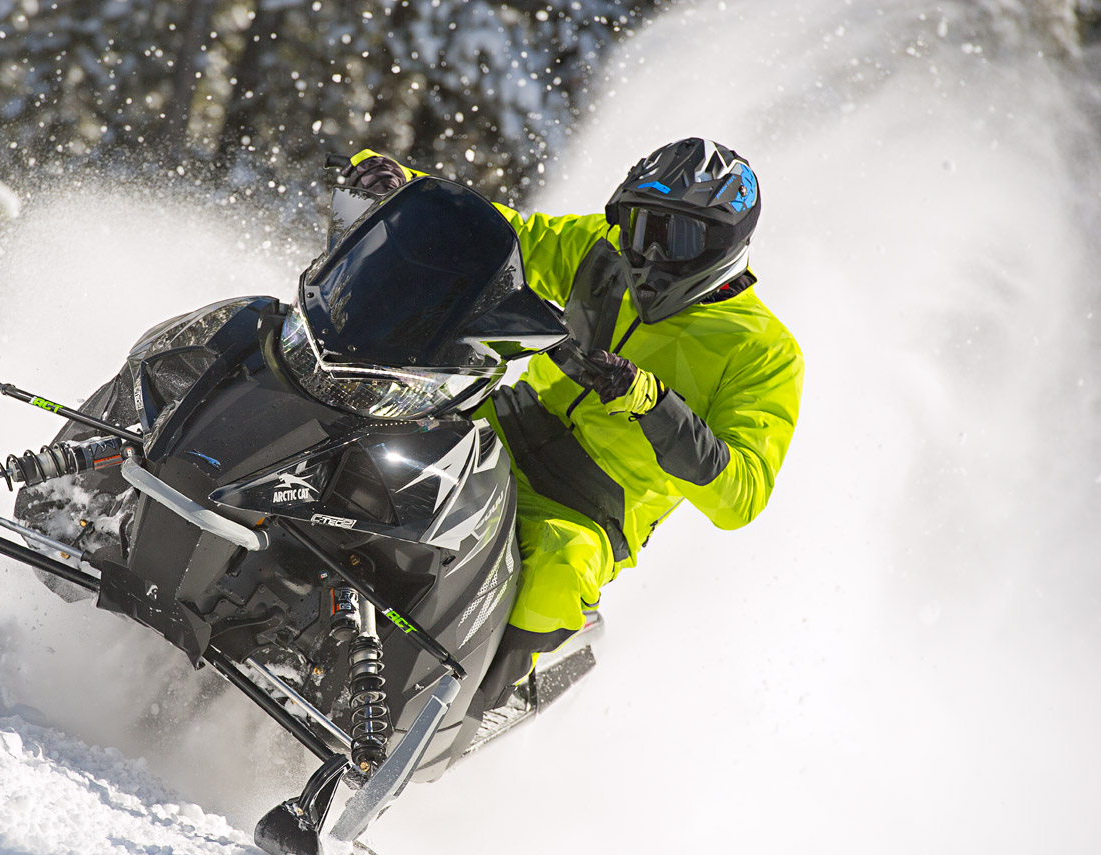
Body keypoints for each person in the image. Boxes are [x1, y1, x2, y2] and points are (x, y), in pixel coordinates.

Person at [341, 140, 805, 713]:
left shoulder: (765, 351)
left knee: (556, 574)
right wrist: (403, 185)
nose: (648, 252)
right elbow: (503, 235)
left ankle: (458, 712)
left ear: (723, 243)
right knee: (373, 438)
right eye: (638, 225)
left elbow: (741, 496)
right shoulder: (601, 249)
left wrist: (653, 403)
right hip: (501, 428)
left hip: (588, 508)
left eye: (675, 236)